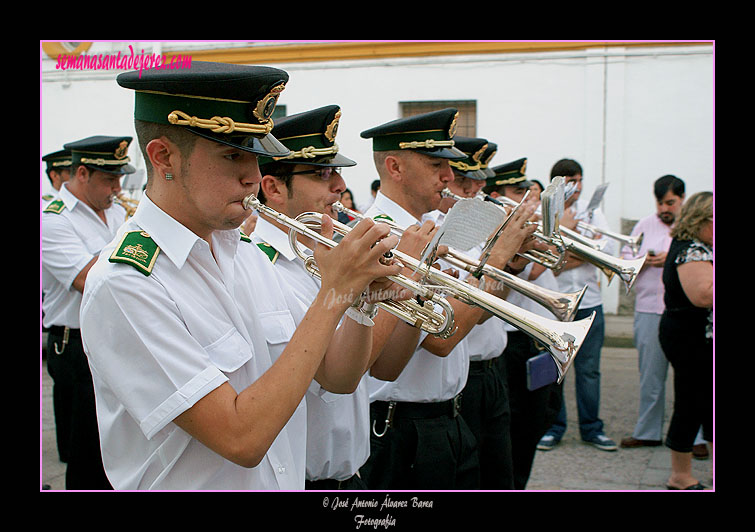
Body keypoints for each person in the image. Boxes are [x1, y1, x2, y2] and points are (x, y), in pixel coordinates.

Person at [79, 62, 404, 490]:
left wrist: (360, 301)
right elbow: (241, 438)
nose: (253, 176)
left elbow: (338, 378)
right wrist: (335, 291)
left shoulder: (245, 255)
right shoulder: (126, 283)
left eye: (254, 154)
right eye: (232, 155)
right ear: (164, 158)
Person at [356, 109, 538, 489]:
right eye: (437, 164)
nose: (450, 176)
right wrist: (495, 262)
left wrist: (508, 269)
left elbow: (480, 316)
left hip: (451, 416)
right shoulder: (377, 239)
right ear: (395, 167)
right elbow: (441, 338)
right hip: (402, 429)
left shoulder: (435, 229)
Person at [252, 104, 430, 490]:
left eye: (335, 173)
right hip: (300, 479)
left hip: (350, 474)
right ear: (274, 187)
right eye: (321, 174)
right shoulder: (257, 266)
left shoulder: (329, 252)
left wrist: (409, 292)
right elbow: (337, 377)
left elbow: (388, 368)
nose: (338, 186)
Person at [42, 135, 136, 489]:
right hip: (75, 343)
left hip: (117, 338)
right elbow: (87, 279)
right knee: (87, 448)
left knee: (119, 442)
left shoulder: (116, 212)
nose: (117, 188)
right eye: (109, 179)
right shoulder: (53, 220)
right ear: (82, 173)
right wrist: (133, 240)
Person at [433, 137, 516, 489]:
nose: (478, 189)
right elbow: (446, 333)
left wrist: (509, 261)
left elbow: (491, 307)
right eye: (467, 182)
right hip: (463, 377)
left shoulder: (477, 223)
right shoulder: (442, 230)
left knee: (502, 476)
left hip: (489, 368)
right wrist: (497, 260)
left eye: (479, 181)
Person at [481, 157, 565, 489]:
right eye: (519, 191)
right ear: (496, 194)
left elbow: (557, 265)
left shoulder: (527, 225)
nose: (528, 198)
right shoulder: (495, 232)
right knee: (514, 430)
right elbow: (511, 278)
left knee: (537, 421)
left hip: (542, 338)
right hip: (513, 339)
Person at [619, 175, 706, 457]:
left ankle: (699, 439)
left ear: (682, 199)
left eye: (670, 202)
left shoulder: (700, 229)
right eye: (659, 203)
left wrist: (667, 256)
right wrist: (645, 260)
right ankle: (648, 432)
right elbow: (625, 257)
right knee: (651, 376)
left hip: (689, 315)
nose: (663, 209)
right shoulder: (645, 225)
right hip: (649, 307)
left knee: (695, 381)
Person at [537, 158, 618, 452]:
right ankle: (552, 427)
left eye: (580, 179)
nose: (578, 186)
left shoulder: (591, 211)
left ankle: (591, 429)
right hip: (554, 304)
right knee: (554, 368)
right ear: (558, 183)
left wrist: (568, 256)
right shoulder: (544, 212)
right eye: (571, 180)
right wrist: (581, 253)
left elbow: (606, 250)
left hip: (589, 301)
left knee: (589, 370)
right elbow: (547, 260)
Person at [659, 191, 713, 490]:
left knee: (709, 403)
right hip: (690, 339)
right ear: (701, 220)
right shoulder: (692, 250)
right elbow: (703, 295)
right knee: (691, 403)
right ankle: (680, 476)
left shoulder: (700, 246)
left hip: (698, 337)